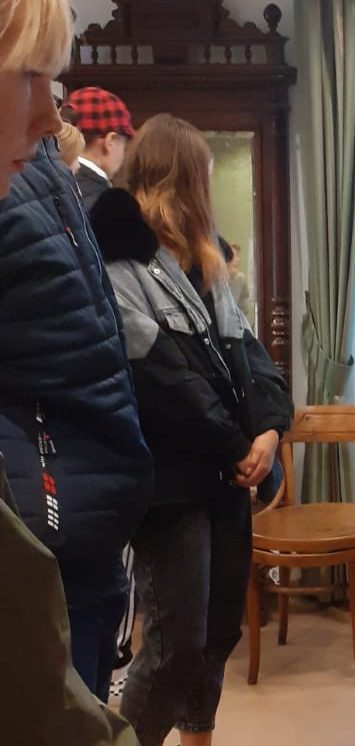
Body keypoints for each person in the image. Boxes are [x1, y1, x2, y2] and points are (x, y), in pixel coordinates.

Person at [90, 113, 293, 746]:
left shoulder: (204, 258)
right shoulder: (118, 253)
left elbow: (249, 355)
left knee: (215, 636)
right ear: (178, 177)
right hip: (172, 481)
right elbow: (161, 378)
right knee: (175, 646)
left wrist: (270, 429)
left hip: (225, 472)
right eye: (201, 172)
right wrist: (237, 446)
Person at [0, 10, 154, 710]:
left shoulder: (46, 177)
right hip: (52, 527)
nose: (50, 118)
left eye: (52, 84)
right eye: (28, 76)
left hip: (82, 524)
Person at [61, 85, 134, 209]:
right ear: (110, 141)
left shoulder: (50, 185)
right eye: (124, 144)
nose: (124, 152)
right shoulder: (110, 204)